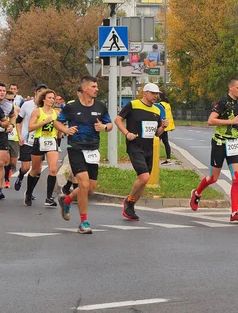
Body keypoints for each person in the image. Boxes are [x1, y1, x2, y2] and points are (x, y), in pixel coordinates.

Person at [55, 76, 112, 234]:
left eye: (96, 86)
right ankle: (84, 222)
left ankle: (65, 200)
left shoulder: (100, 106)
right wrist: (66, 130)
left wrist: (104, 127)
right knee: (84, 185)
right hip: (76, 148)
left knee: (90, 189)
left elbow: (110, 124)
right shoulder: (71, 107)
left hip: (93, 149)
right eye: (93, 86)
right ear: (85, 88)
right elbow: (57, 122)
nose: (97, 89)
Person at [189, 77, 238, 224]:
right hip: (220, 143)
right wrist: (231, 121)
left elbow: (236, 120)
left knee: (237, 177)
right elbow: (211, 120)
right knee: (213, 178)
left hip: (234, 143)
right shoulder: (223, 102)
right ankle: (196, 194)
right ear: (230, 87)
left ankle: (234, 212)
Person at [114, 82, 168, 221]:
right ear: (145, 93)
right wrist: (126, 133)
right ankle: (128, 201)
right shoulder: (133, 105)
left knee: (144, 181)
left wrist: (162, 127)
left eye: (157, 94)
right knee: (144, 177)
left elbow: (156, 133)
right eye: (153, 93)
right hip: (135, 146)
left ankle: (130, 206)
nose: (155, 96)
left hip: (148, 148)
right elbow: (118, 120)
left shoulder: (157, 110)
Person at [26, 89, 59, 207]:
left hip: (52, 141)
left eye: (53, 98)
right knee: (35, 170)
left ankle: (49, 198)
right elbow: (30, 128)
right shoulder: (37, 112)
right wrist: (44, 122)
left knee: (53, 169)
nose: (52, 100)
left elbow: (58, 127)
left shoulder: (56, 113)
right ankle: (29, 193)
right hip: (39, 141)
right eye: (49, 98)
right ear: (44, 99)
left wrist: (60, 133)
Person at [15, 83, 48, 194]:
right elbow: (18, 121)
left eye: (44, 93)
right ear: (35, 92)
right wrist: (19, 135)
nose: (41, 94)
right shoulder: (27, 105)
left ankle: (30, 191)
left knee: (38, 170)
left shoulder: (46, 107)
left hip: (40, 141)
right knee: (25, 167)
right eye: (39, 92)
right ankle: (20, 175)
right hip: (26, 140)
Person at [3, 91, 21, 189]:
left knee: (13, 162)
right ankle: (6, 180)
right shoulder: (1, 108)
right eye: (8, 99)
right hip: (4, 137)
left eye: (12, 99)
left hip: (14, 137)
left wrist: (21, 136)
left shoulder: (17, 109)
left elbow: (20, 123)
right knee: (6, 160)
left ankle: (9, 169)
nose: (10, 101)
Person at [158, 91, 175, 165]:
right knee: (166, 142)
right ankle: (168, 159)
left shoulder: (160, 105)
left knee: (155, 142)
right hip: (167, 126)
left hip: (162, 126)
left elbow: (159, 115)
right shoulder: (168, 104)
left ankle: (153, 158)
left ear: (159, 96)